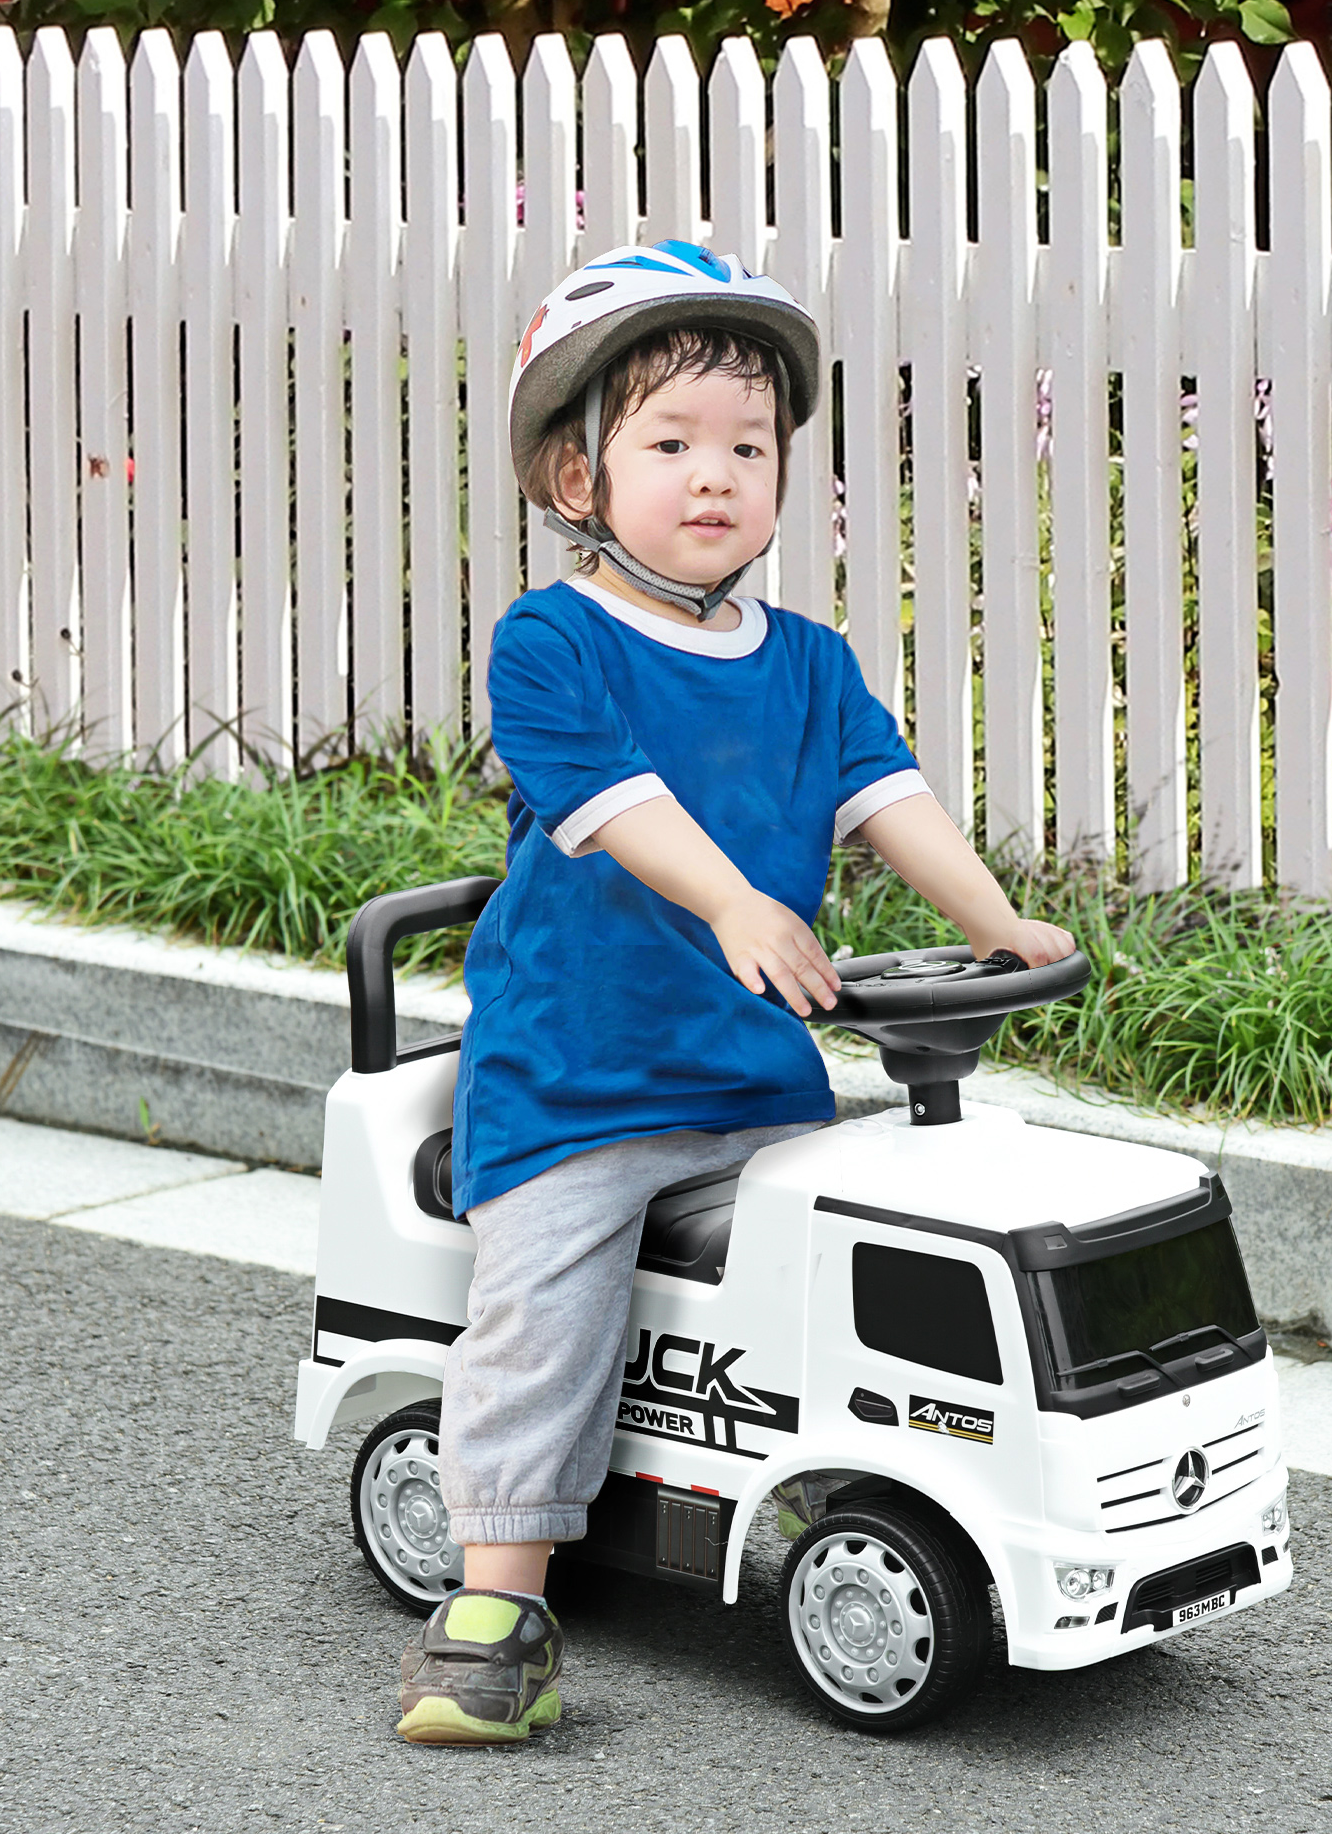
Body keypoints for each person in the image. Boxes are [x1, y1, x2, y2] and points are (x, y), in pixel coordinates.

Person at [396, 239, 1076, 1745]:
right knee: (549, 1300)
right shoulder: (552, 643)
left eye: (748, 448)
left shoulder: (812, 663)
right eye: (670, 443)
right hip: (580, 1084)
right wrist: (737, 898)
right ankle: (494, 1607)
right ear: (578, 479)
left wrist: (995, 918)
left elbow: (889, 796)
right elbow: (615, 806)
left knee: (897, 1236)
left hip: (759, 1084)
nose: (716, 476)